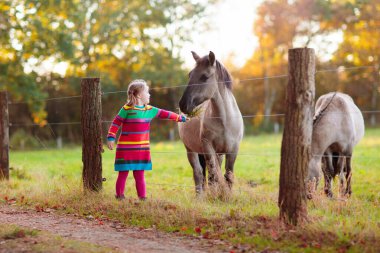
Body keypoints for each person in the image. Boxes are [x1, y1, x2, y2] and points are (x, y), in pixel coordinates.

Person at [107, 79, 188, 200]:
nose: (149, 95)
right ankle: (119, 197)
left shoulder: (149, 110)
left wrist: (180, 118)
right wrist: (111, 137)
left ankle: (142, 198)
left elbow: (166, 114)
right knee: (123, 173)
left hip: (141, 149)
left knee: (139, 174)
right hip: (125, 149)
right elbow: (115, 123)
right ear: (139, 95)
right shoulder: (126, 109)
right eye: (147, 92)